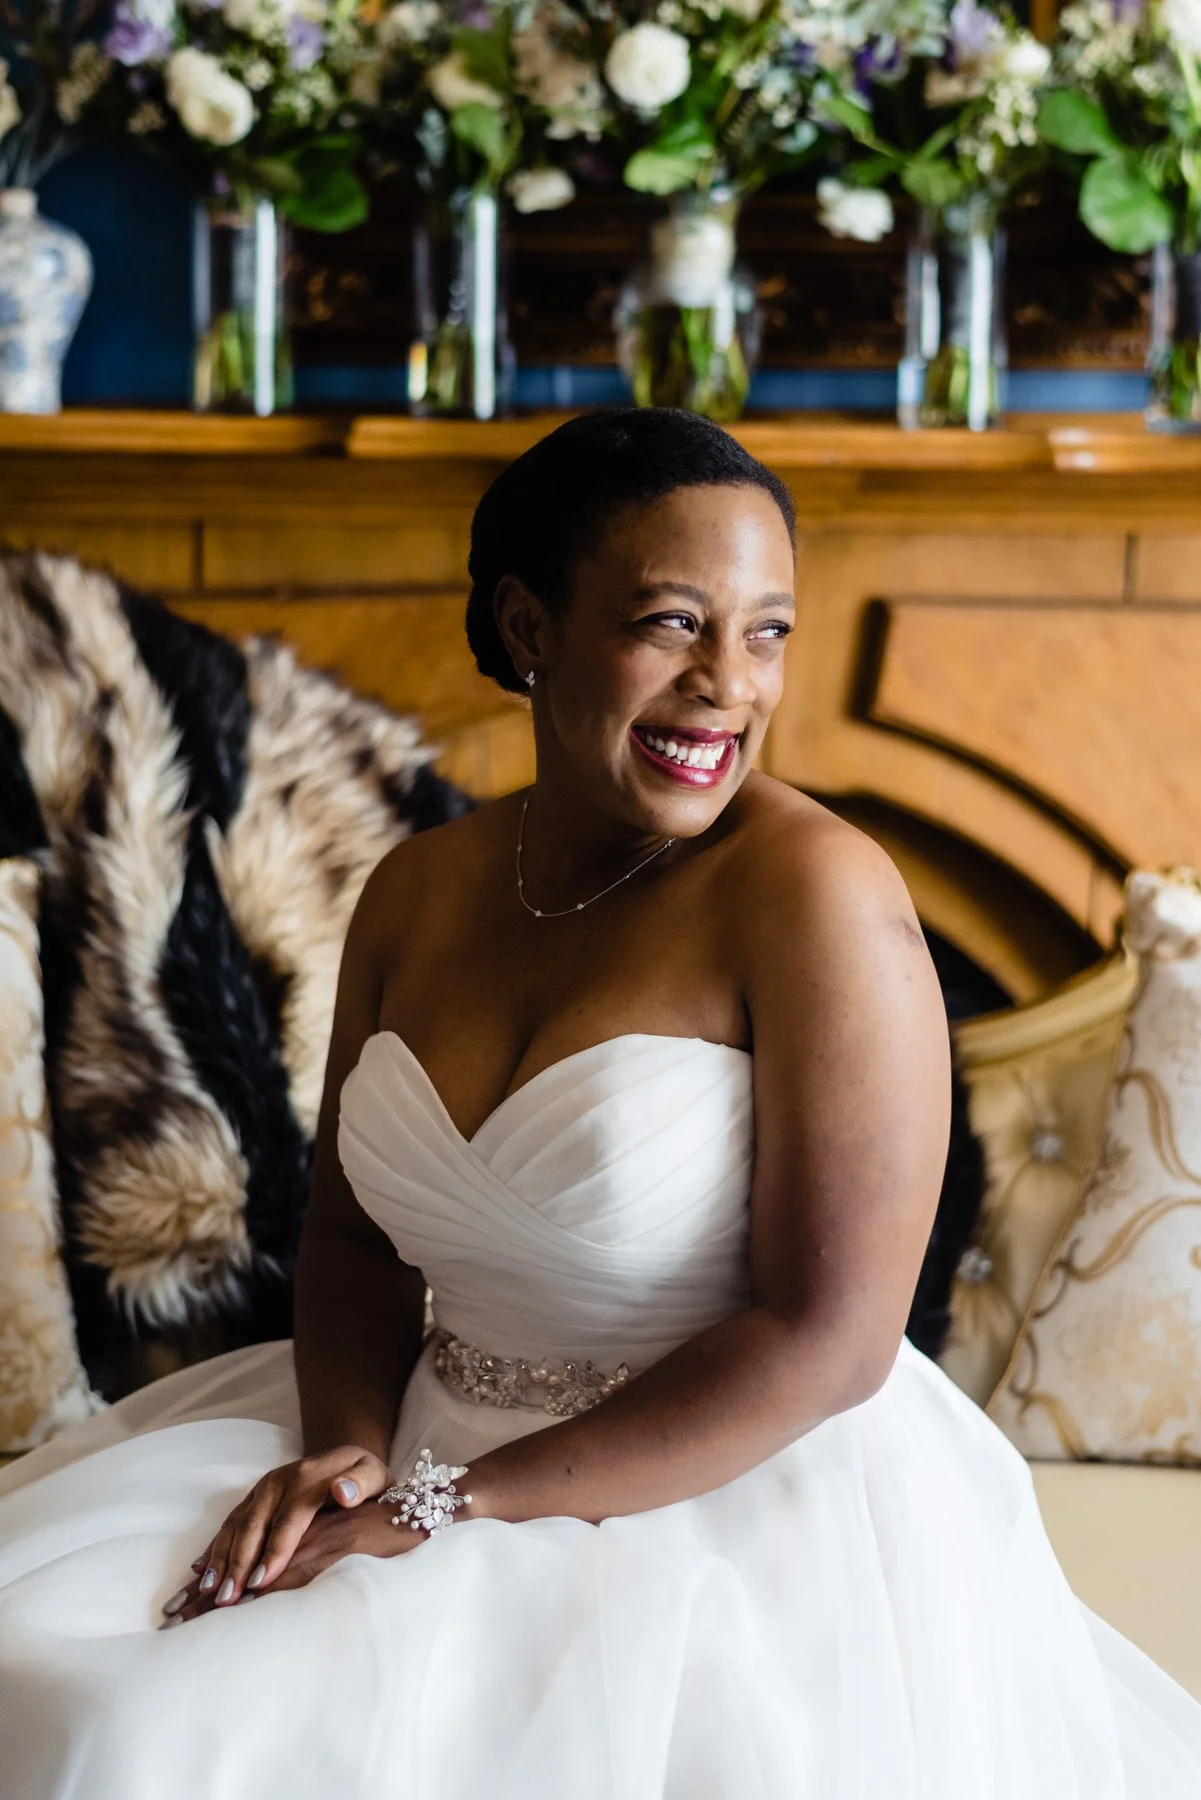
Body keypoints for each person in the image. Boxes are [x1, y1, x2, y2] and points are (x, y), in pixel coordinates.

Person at [1, 408, 1199, 1800]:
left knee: (171, 1743)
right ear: (530, 627)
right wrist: (350, 1457)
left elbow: (830, 1342)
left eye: (766, 633)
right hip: (413, 1433)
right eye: (672, 623)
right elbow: (354, 1242)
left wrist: (446, 1510)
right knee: (67, 1672)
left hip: (730, 1500)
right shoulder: (420, 888)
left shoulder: (817, 895)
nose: (727, 685)